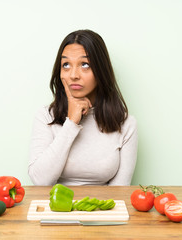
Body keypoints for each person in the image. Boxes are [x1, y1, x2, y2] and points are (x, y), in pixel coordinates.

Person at [28, 29, 138, 186]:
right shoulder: (45, 116)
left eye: (85, 65)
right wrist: (71, 123)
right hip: (56, 208)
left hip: (104, 209)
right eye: (66, 65)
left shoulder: (126, 124)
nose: (73, 75)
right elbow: (40, 181)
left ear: (101, 70)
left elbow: (119, 192)